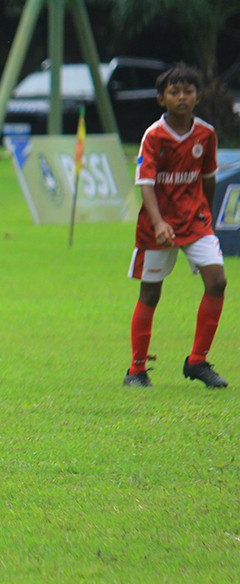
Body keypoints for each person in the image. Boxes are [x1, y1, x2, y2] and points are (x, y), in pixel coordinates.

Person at [124, 64, 228, 389]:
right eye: (174, 92)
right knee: (151, 294)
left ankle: (197, 361)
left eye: (188, 91)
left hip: (195, 222)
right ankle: (136, 370)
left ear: (197, 97)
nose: (181, 97)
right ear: (161, 99)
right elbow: (146, 184)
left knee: (217, 281)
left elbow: (208, 179)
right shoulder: (153, 136)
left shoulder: (206, 134)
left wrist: (206, 219)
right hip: (158, 225)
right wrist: (158, 223)